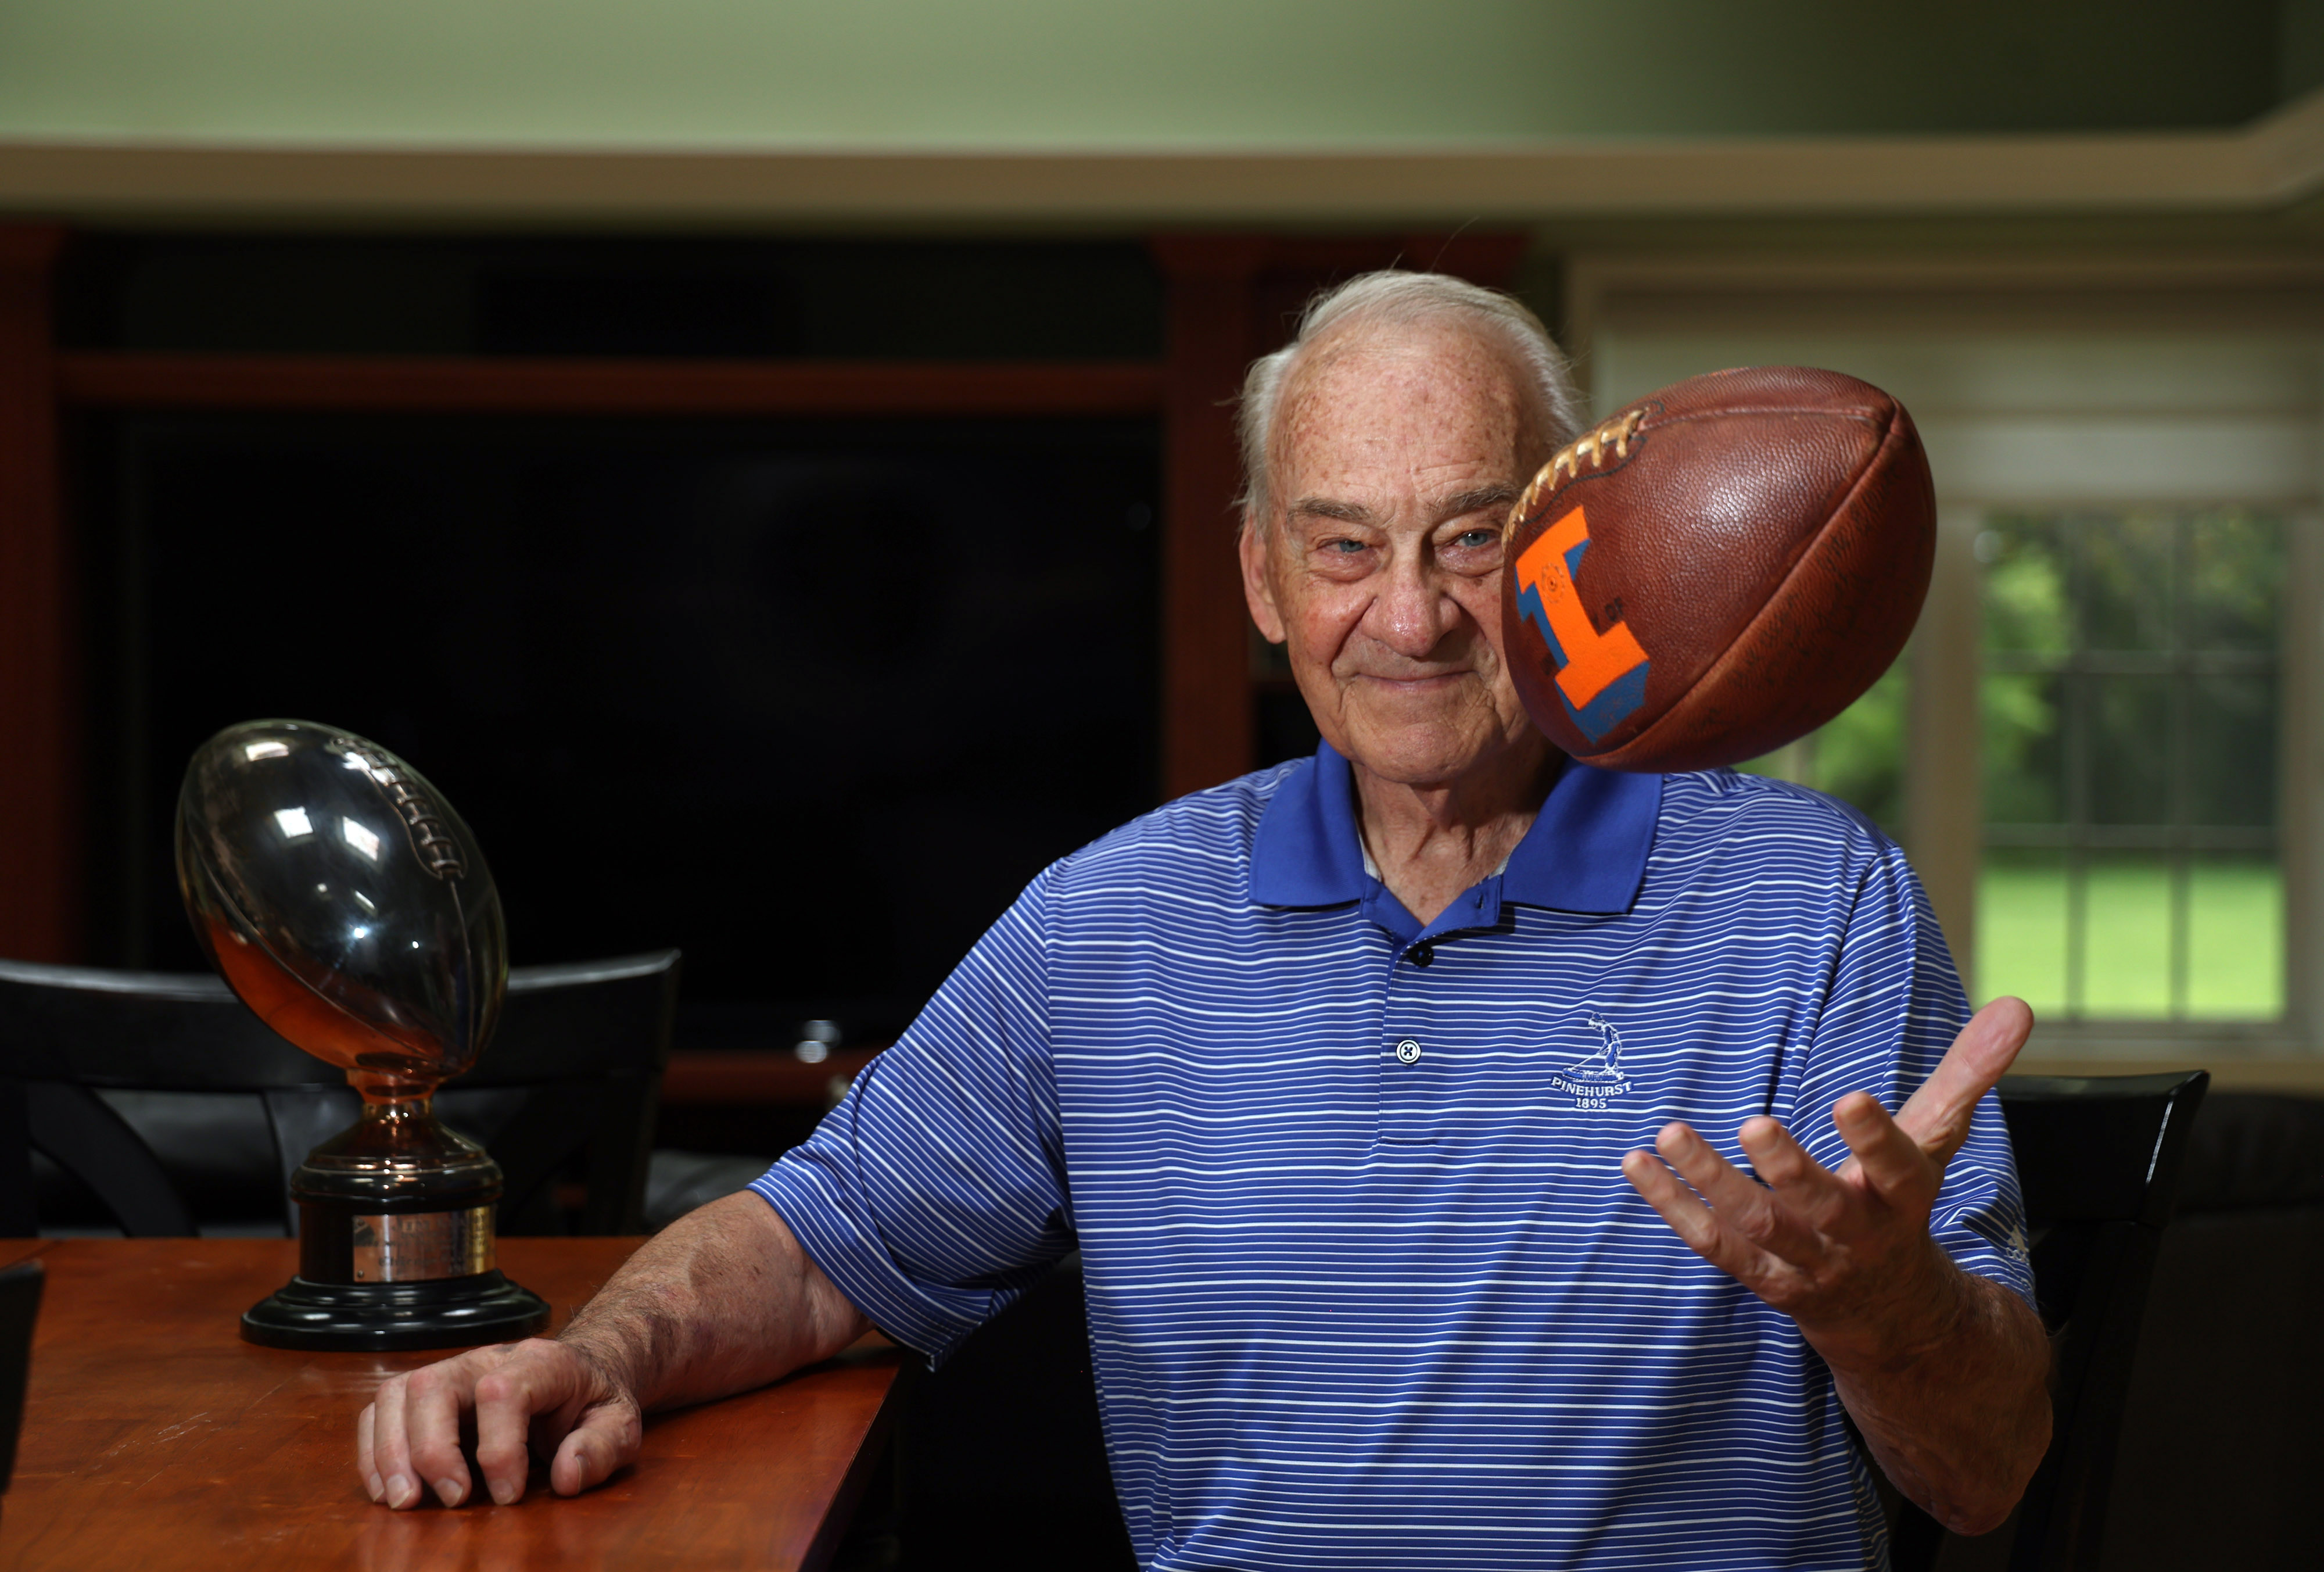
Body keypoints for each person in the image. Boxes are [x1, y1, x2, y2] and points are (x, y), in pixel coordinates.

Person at [357, 272, 2050, 1569]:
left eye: (1472, 535)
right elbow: (819, 1243)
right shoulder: (1108, 923)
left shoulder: (1814, 895)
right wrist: (598, 1356)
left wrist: (1875, 1300)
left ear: (1567, 546)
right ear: (1261, 581)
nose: (1410, 613)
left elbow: (1990, 1470)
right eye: (1342, 545)